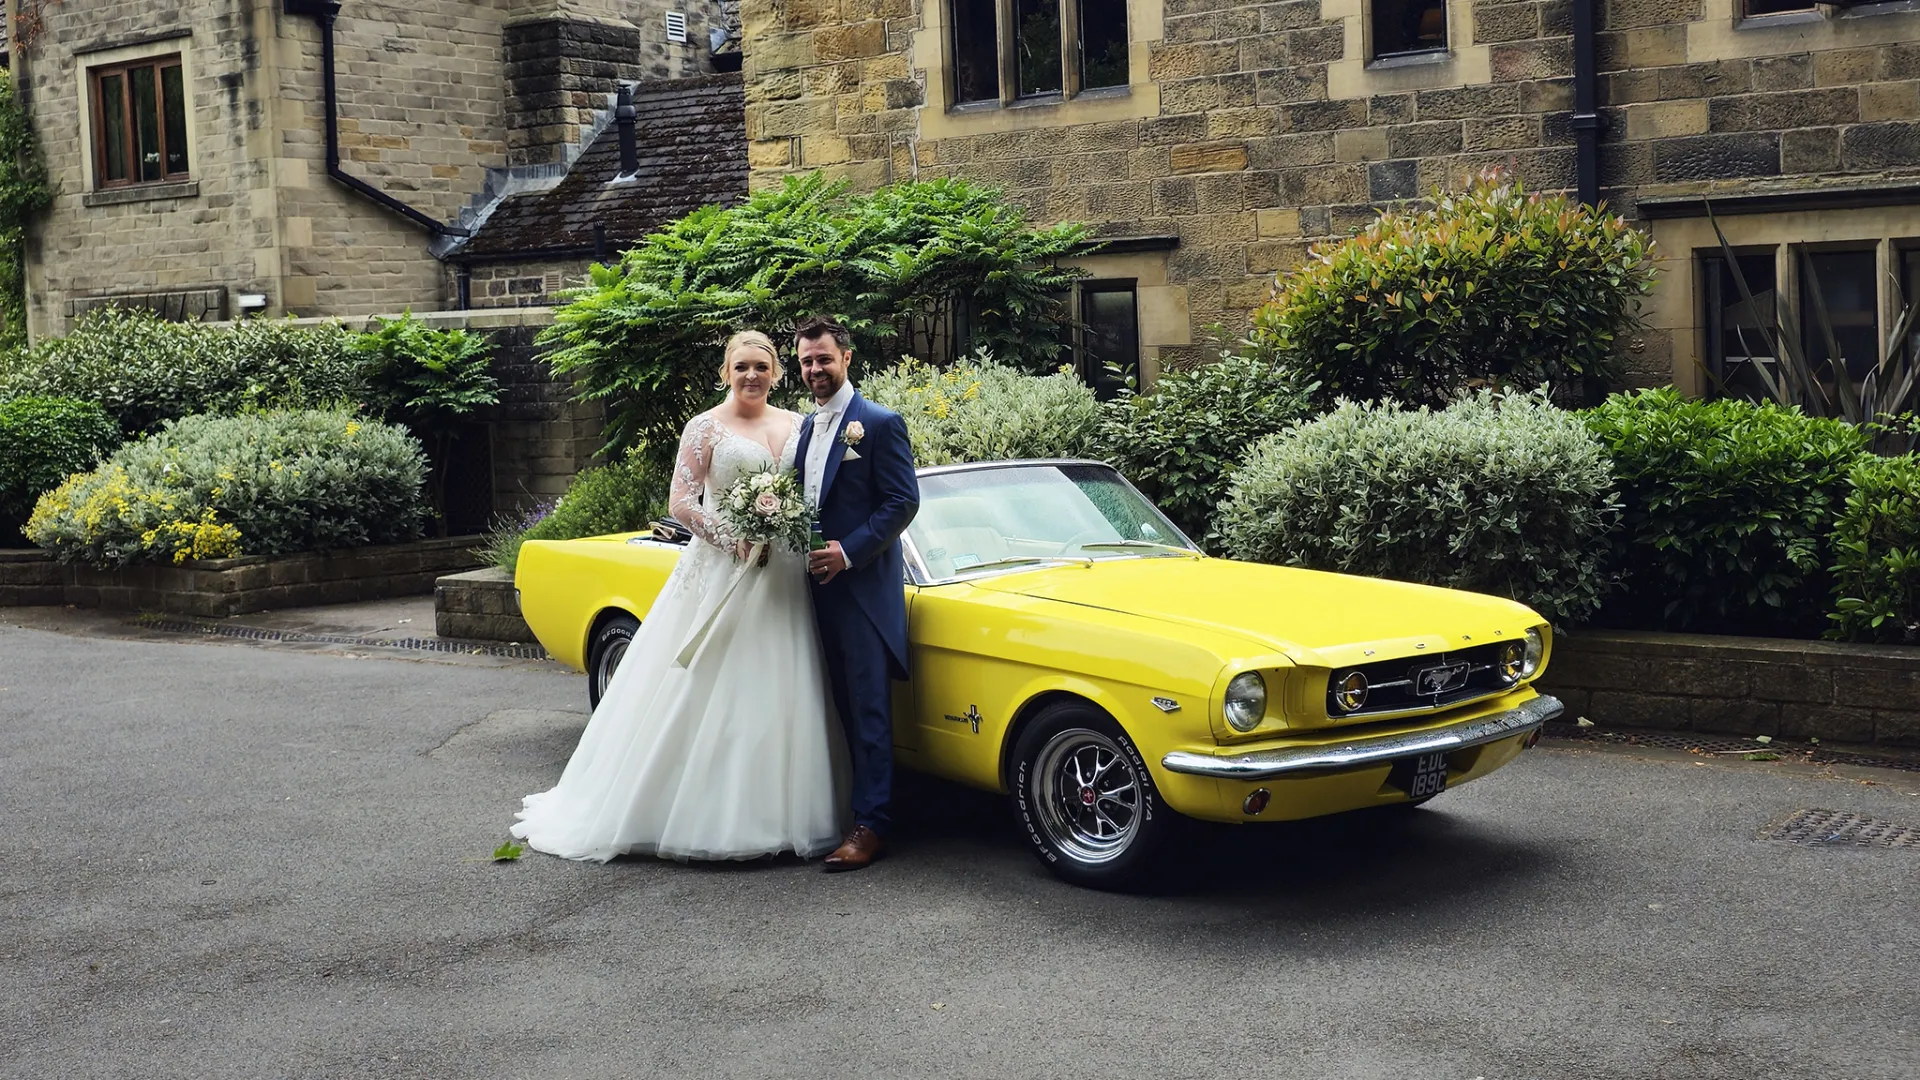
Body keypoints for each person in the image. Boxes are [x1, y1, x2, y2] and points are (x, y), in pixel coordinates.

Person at [509, 331, 846, 862]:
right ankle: (694, 812)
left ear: (777, 372)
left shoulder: (797, 424)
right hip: (722, 568)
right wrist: (728, 538)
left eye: (762, 366)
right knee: (709, 684)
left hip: (782, 575)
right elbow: (682, 501)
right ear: (726, 372)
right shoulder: (705, 426)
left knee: (782, 682)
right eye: (741, 367)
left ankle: (784, 809)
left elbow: (807, 492)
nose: (752, 376)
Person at [792, 315, 920, 872]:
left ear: (846, 358)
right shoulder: (804, 427)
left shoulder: (879, 424)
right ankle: (843, 810)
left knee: (869, 711)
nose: (814, 369)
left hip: (863, 591)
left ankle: (873, 825)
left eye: (823, 358)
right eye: (805, 361)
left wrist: (848, 552)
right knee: (833, 705)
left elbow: (902, 502)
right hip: (810, 591)